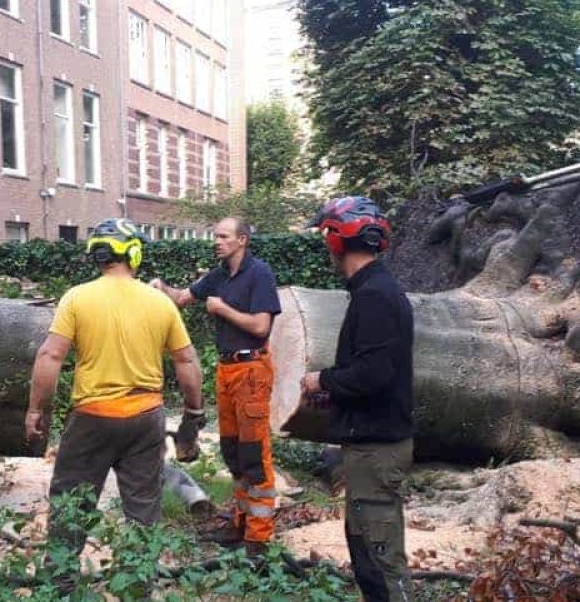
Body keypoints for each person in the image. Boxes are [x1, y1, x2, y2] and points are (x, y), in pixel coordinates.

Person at [25, 218, 205, 568]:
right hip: (145, 419)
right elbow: (186, 361)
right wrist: (193, 412)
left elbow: (50, 355)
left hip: (92, 419)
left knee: (72, 503)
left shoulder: (77, 298)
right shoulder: (160, 303)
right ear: (134, 253)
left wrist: (36, 410)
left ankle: (60, 584)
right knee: (142, 509)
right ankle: (139, 583)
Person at [300, 197, 415, 602]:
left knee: (381, 562)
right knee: (366, 554)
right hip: (370, 445)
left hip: (377, 450)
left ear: (338, 239)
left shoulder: (375, 296)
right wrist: (334, 394)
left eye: (327, 235)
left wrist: (321, 380)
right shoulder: (372, 290)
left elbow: (374, 375)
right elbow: (374, 368)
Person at [150, 217, 281, 554]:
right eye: (215, 236)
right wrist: (159, 287)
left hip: (252, 368)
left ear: (242, 240)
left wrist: (222, 308)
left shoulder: (260, 273)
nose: (216, 242)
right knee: (233, 450)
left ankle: (259, 538)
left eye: (223, 237)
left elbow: (261, 324)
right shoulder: (219, 274)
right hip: (226, 370)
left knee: (254, 453)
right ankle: (240, 524)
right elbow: (181, 298)